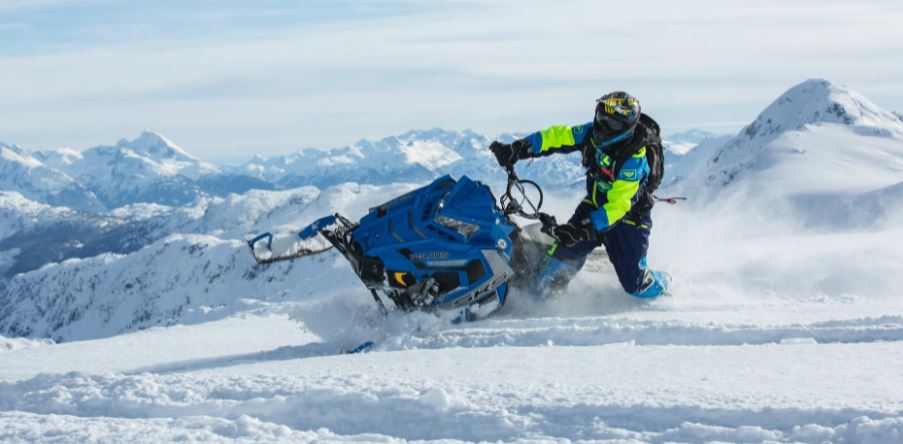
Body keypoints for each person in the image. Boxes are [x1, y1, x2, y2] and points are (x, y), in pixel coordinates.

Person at [489, 91, 671, 298]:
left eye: (613, 124)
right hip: (594, 205)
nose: (604, 127)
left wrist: (584, 229)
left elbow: (619, 206)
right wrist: (519, 148)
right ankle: (541, 303)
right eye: (602, 118)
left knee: (636, 285)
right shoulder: (591, 133)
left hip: (628, 220)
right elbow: (558, 136)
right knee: (551, 269)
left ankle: (664, 285)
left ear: (627, 128)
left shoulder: (634, 160)